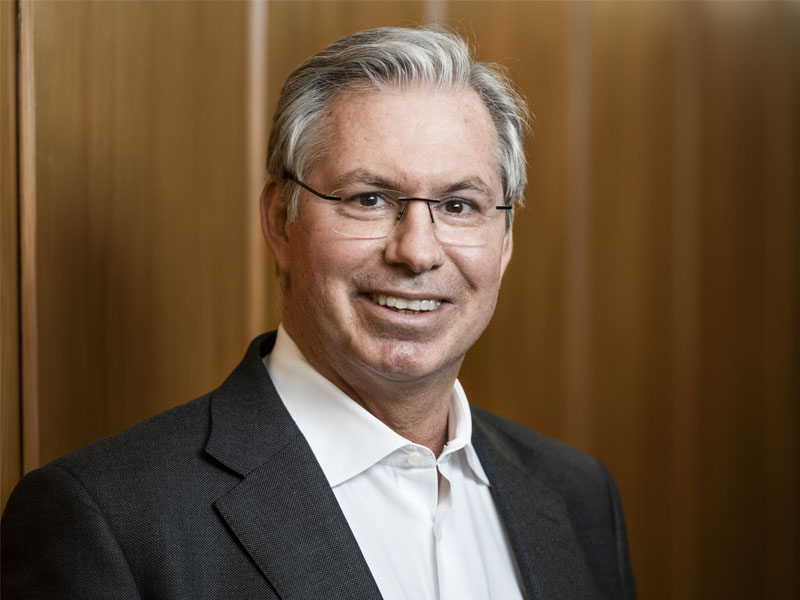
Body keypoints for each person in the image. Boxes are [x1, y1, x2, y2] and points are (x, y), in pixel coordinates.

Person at [1, 27, 635, 599]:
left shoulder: (578, 496)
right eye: (369, 198)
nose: (417, 251)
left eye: (459, 206)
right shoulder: (107, 522)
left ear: (506, 241)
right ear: (282, 221)